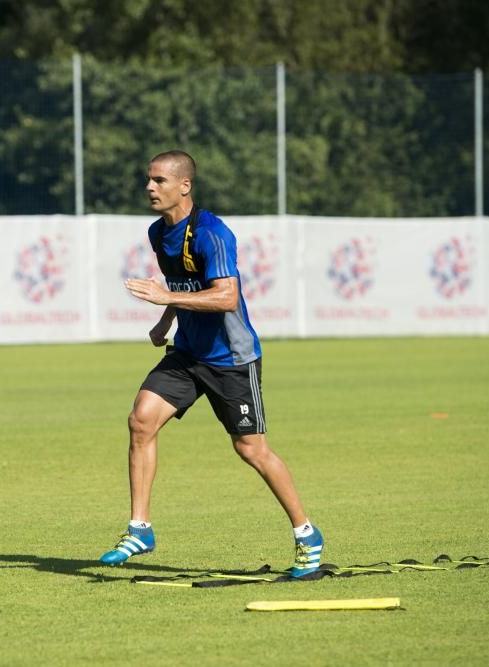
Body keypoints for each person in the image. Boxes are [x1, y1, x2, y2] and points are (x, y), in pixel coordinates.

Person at [99, 150, 323, 578]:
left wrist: (167, 301)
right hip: (188, 353)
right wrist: (166, 319)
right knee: (141, 420)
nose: (150, 187)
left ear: (184, 185)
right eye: (148, 179)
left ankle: (307, 534)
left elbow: (226, 296)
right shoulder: (157, 231)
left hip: (231, 359)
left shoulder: (213, 233)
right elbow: (180, 283)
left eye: (159, 180)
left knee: (251, 449)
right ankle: (140, 529)